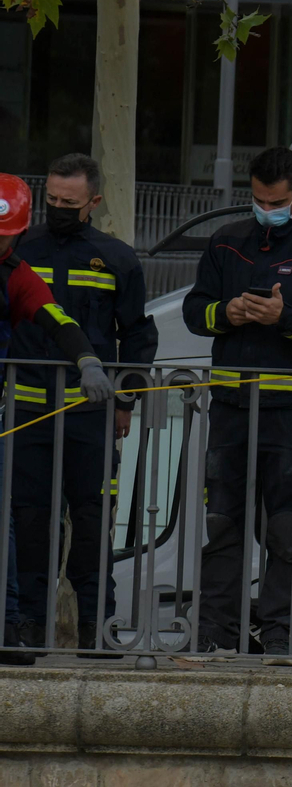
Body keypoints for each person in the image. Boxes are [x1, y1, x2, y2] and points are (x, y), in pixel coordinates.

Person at [182, 147, 292, 664]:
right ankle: (215, 632)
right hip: (232, 409)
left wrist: (285, 317)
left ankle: (280, 634)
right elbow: (195, 310)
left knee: (286, 531)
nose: (266, 208)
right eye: (258, 200)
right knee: (224, 526)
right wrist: (227, 312)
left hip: (291, 414)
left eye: (276, 201)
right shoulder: (226, 241)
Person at [8, 154, 157, 656]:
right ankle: (28, 625)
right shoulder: (19, 248)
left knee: (93, 523)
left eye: (69, 203)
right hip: (28, 411)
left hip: (91, 417)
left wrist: (127, 403)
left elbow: (137, 335)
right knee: (29, 524)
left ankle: (97, 627)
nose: (58, 209)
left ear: (93, 202)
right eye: (51, 200)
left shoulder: (116, 258)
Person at [0, 174, 115, 664]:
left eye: (3, 235)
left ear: (19, 235)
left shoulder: (17, 275)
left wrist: (86, 359)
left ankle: (10, 630)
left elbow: (58, 320)